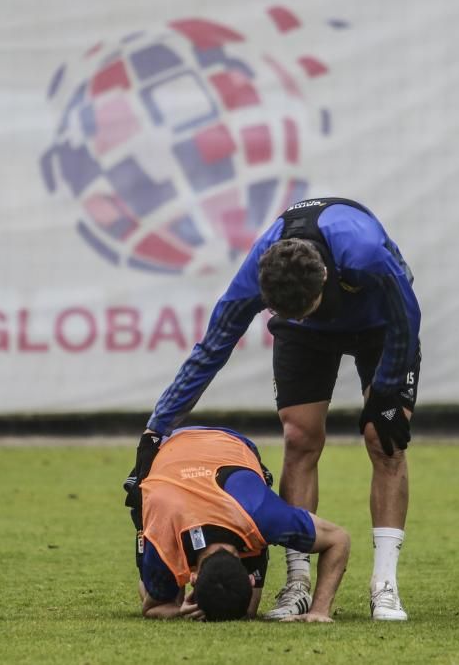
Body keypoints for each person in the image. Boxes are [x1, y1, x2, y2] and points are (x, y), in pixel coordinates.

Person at [124, 197, 421, 621]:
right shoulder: (257, 275)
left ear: (323, 280)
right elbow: (211, 350)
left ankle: (385, 584)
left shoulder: (364, 252)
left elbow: (406, 317)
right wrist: (156, 429)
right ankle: (297, 582)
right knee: (300, 437)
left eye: (304, 311)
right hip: (308, 332)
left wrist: (387, 396)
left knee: (384, 442)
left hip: (381, 324)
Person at [134, 426, 349, 622]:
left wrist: (319, 611)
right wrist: (177, 607)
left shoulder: (261, 515)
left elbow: (338, 539)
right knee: (163, 587)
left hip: (230, 447)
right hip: (165, 451)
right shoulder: (163, 534)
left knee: (248, 611)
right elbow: (153, 606)